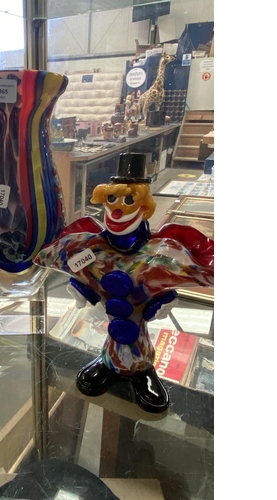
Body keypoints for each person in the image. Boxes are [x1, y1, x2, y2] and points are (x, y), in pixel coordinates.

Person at [34, 153, 214, 413]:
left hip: (138, 321)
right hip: (113, 322)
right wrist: (80, 287)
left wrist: (165, 298)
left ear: (144, 207)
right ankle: (110, 363)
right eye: (111, 200)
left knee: (134, 334)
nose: (117, 210)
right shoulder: (90, 246)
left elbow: (173, 277)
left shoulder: (160, 252)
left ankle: (141, 371)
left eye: (129, 201)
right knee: (117, 333)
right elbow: (73, 267)